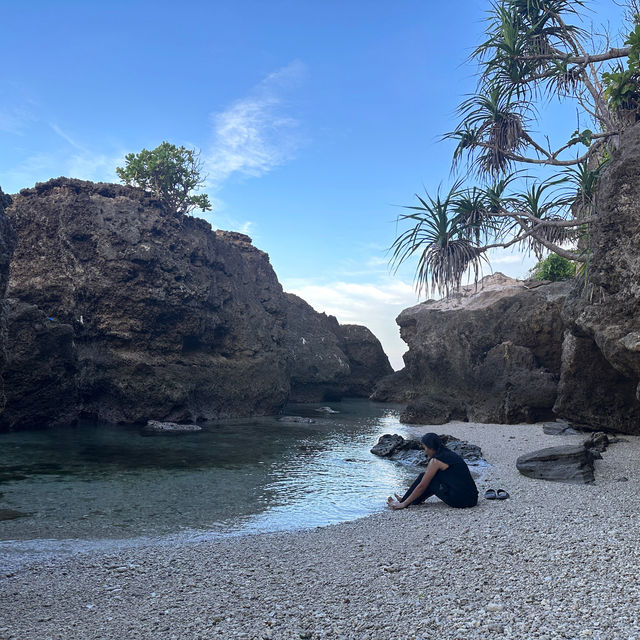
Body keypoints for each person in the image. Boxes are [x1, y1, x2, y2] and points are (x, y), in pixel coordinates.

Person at [387, 433, 478, 510]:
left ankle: (404, 502)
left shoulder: (436, 461)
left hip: (461, 501)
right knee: (430, 477)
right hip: (473, 499)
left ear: (430, 447)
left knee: (426, 478)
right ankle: (407, 500)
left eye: (425, 448)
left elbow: (422, 486)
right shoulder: (450, 454)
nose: (425, 451)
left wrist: (404, 504)